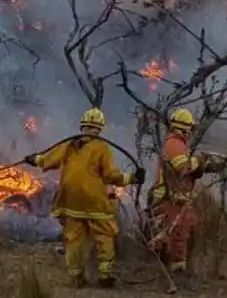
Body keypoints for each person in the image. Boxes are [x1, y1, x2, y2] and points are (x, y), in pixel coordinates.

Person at [24, 108, 145, 288]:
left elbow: (48, 159)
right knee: (104, 233)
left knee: (73, 237)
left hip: (69, 199)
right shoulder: (101, 147)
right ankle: (105, 273)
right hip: (94, 200)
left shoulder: (69, 144)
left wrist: (35, 159)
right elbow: (111, 175)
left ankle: (76, 276)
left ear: (82, 126)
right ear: (100, 128)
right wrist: (132, 178)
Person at [148, 108, 227, 286]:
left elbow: (188, 169)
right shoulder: (174, 143)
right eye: (190, 129)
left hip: (178, 198)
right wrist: (200, 161)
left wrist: (206, 165)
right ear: (184, 128)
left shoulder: (179, 144)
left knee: (186, 228)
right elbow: (182, 167)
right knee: (177, 233)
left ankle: (169, 268)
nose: (191, 132)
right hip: (170, 199)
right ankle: (176, 273)